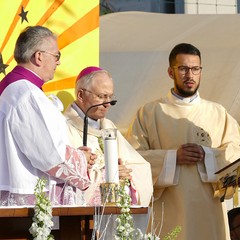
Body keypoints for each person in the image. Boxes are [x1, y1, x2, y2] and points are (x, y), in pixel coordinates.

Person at [125, 43, 240, 240]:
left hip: (210, 211)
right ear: (171, 72)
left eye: (195, 69)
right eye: (183, 69)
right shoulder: (149, 113)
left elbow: (236, 153)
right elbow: (132, 160)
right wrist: (172, 158)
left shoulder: (218, 113)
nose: (190, 75)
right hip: (169, 210)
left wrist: (208, 156)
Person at [0, 26, 96, 206]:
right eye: (56, 56)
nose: (58, 63)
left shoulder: (13, 88)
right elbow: (49, 155)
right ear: (39, 56)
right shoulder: (27, 94)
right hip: (27, 200)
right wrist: (82, 160)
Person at [63, 66, 153, 207]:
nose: (107, 104)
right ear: (80, 95)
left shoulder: (109, 126)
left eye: (110, 97)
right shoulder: (64, 126)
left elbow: (140, 167)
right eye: (101, 96)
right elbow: (65, 174)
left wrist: (126, 174)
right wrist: (110, 175)